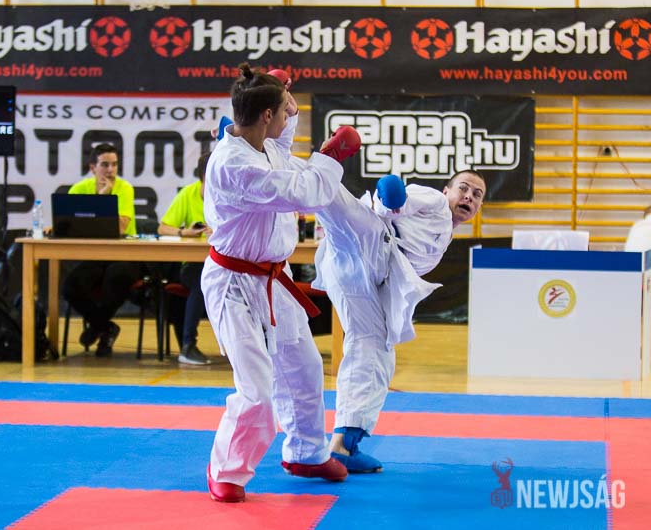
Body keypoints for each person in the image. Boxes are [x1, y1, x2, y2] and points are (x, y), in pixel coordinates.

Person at [201, 63, 360, 502]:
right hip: (233, 283)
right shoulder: (234, 164)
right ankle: (226, 470)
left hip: (274, 279)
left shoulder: (260, 144)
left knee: (303, 367)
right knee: (256, 387)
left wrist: (282, 100)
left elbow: (282, 146)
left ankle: (306, 453)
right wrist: (329, 158)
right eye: (283, 111)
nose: (289, 117)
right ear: (266, 115)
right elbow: (303, 192)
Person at [314, 170, 486, 473]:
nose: (469, 197)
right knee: (328, 194)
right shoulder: (435, 202)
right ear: (446, 191)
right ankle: (307, 165)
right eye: (464, 188)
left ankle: (344, 443)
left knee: (375, 348)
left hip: (357, 269)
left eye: (477, 195)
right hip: (368, 242)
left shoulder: (443, 236)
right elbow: (398, 201)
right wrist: (391, 199)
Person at [61, 143, 139, 357]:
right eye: (105, 165)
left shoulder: (125, 188)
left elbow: (120, 227)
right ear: (92, 168)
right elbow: (70, 226)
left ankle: (97, 328)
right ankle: (106, 327)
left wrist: (105, 197)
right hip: (94, 257)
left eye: (114, 164)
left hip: (126, 255)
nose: (110, 170)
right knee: (70, 287)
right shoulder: (78, 190)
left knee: (116, 276)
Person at [157, 152, 213, 365]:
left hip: (229, 263)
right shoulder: (188, 194)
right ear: (204, 176)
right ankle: (188, 345)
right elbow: (163, 228)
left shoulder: (232, 195)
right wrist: (184, 233)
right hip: (194, 264)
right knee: (202, 281)